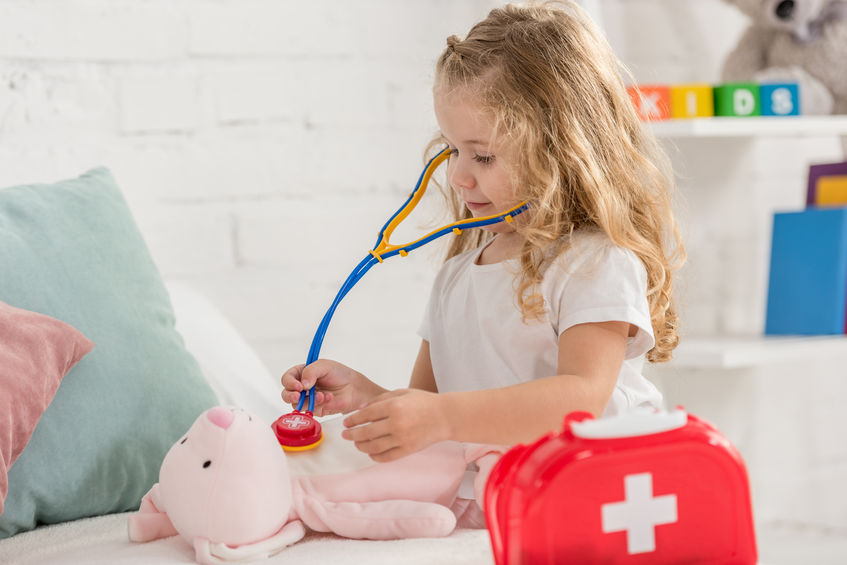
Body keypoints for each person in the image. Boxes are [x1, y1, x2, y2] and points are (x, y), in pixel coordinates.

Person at [282, 0, 685, 463]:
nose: (457, 176)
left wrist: (442, 417)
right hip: (510, 492)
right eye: (453, 150)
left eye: (484, 156)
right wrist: (368, 398)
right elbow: (434, 409)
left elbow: (582, 399)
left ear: (563, 151)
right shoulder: (456, 276)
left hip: (603, 485)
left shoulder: (594, 264)